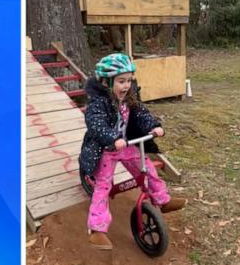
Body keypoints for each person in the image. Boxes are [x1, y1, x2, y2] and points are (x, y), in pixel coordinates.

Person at [79, 53, 187, 250]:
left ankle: (162, 200)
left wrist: (153, 126)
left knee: (148, 169)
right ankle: (97, 229)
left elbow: (141, 113)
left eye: (129, 80)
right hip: (106, 149)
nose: (126, 85)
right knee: (103, 186)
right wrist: (112, 138)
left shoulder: (129, 98)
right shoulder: (98, 102)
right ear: (106, 82)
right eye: (121, 81)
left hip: (127, 145)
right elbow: (96, 124)